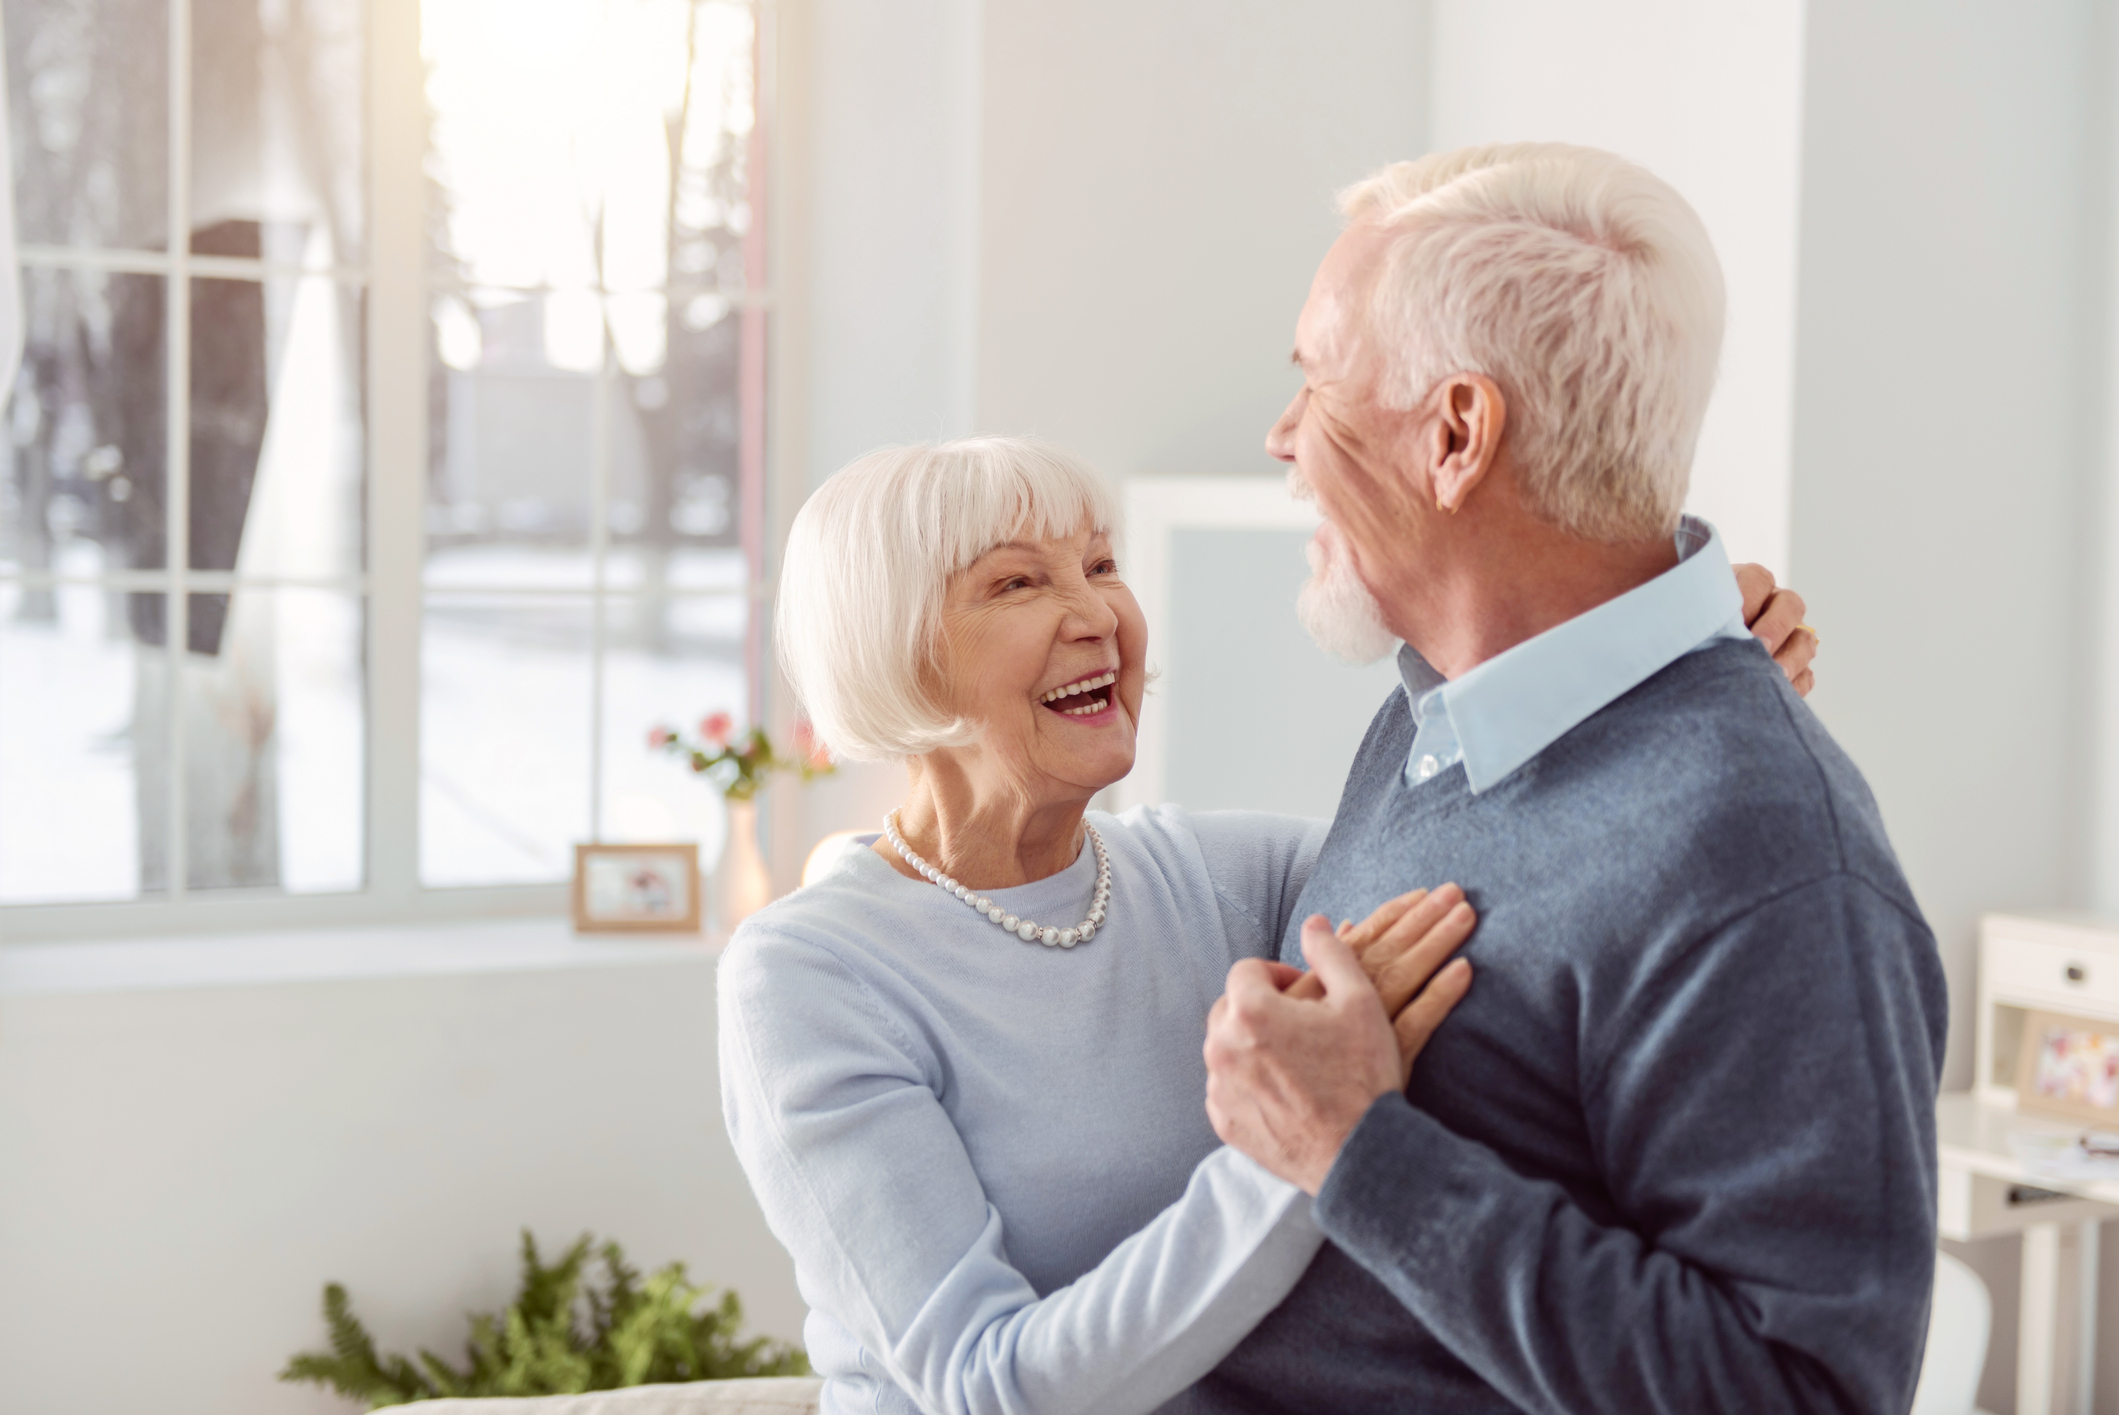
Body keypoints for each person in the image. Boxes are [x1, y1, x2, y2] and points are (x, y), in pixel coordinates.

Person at [718, 430, 1815, 1415]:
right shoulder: (809, 972)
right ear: (899, 656)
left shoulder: (1217, 873)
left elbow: (1508, 876)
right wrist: (1309, 1141)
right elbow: (986, 1386)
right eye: (1016, 582)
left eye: (1101, 564)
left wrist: (1673, 686)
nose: (1097, 613)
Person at [1196, 143, 1946, 1415]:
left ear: (1455, 434)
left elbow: (1800, 1393)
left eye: (1314, 382)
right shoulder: (1435, 720)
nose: (1279, 437)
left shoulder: (1764, 854)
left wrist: (1359, 1153)